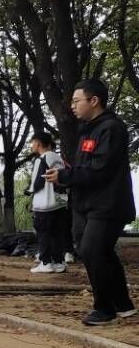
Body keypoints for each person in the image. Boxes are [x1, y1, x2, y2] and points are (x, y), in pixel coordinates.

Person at [45, 78, 136, 326]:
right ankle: (123, 304)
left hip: (109, 204)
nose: (72, 106)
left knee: (92, 250)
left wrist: (65, 176)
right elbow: (86, 167)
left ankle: (104, 308)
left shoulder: (111, 128)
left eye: (77, 101)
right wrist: (66, 177)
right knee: (101, 251)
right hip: (88, 203)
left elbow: (100, 169)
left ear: (94, 100)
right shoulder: (89, 129)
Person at [27, 133, 68, 274]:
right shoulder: (58, 158)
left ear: (38, 143)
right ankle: (59, 263)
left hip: (44, 204)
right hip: (60, 202)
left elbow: (37, 183)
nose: (32, 145)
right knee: (56, 234)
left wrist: (28, 191)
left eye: (33, 142)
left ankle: (46, 263)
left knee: (43, 233)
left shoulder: (41, 159)